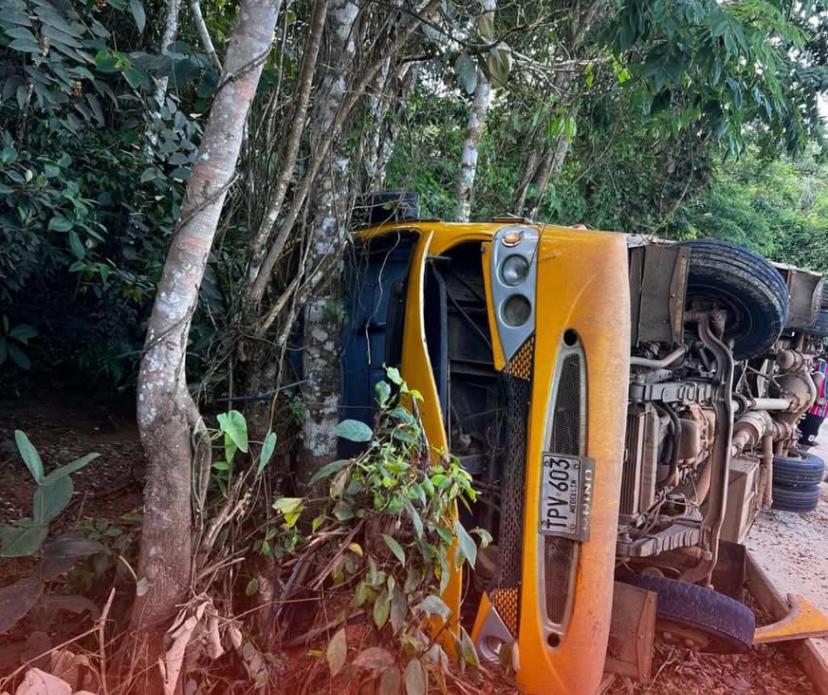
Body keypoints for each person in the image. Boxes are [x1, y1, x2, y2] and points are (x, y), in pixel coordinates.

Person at [800, 357, 828, 448]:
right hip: (814, 410)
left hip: (821, 411)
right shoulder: (824, 366)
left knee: (808, 436)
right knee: (806, 439)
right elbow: (817, 378)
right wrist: (817, 397)